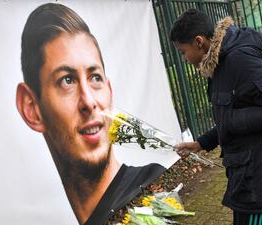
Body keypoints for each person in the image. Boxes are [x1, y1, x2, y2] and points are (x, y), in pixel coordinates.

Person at [16, 3, 165, 225]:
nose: (89, 101)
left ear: (109, 90)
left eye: (95, 78)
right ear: (31, 108)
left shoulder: (150, 189)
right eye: (67, 80)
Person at [171, 9, 262, 225]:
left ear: (199, 41)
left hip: (260, 177)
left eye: (182, 51)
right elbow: (231, 114)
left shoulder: (239, 59)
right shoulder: (218, 65)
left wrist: (233, 121)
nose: (184, 59)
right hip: (245, 172)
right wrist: (201, 143)